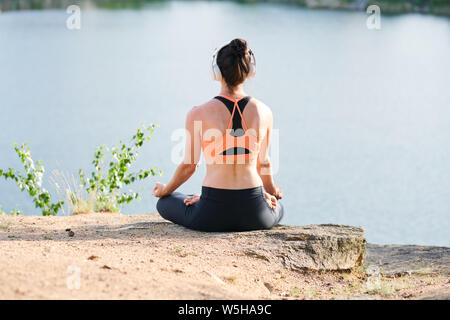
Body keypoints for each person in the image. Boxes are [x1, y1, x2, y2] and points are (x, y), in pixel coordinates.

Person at [152, 38, 283, 232]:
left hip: (211, 214)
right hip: (255, 214)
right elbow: (263, 164)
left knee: (164, 203)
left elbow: (189, 166)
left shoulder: (198, 113)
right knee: (279, 207)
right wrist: (271, 193)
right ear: (250, 71)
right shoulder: (265, 112)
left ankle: (201, 200)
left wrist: (165, 190)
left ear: (216, 72)